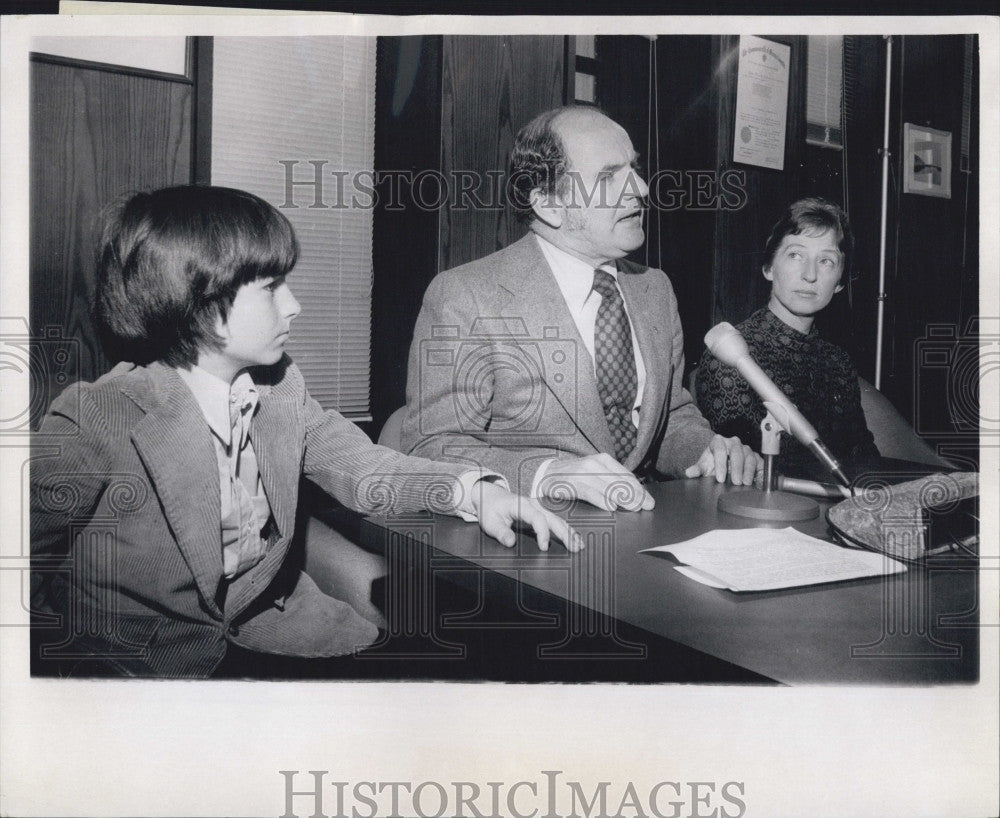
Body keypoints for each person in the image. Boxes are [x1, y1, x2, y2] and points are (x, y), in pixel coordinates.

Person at [30, 185, 581, 679]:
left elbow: (363, 467)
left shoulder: (279, 386)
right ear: (198, 302)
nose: (293, 305)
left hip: (276, 638)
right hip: (137, 672)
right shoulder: (98, 416)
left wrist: (475, 491)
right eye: (271, 288)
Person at [401, 105, 760, 512]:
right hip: (532, 539)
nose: (641, 188)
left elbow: (667, 418)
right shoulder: (465, 296)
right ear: (549, 204)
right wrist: (547, 474)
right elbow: (429, 447)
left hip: (644, 527)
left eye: (635, 169)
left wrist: (707, 449)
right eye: (609, 176)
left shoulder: (654, 289)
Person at [695, 197, 878, 475]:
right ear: (768, 267)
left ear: (840, 282)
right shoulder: (731, 356)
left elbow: (863, 457)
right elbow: (743, 473)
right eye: (795, 255)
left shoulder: (837, 361)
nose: (810, 275)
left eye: (826, 261)